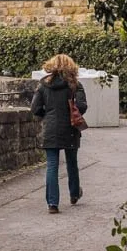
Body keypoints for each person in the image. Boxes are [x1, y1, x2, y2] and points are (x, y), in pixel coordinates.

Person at [31, 54, 88, 213]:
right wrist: (72, 112)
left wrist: (47, 115)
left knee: (52, 165)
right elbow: (82, 106)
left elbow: (35, 109)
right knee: (71, 162)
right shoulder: (75, 85)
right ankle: (74, 194)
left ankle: (52, 203)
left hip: (50, 128)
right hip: (70, 127)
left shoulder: (43, 85)